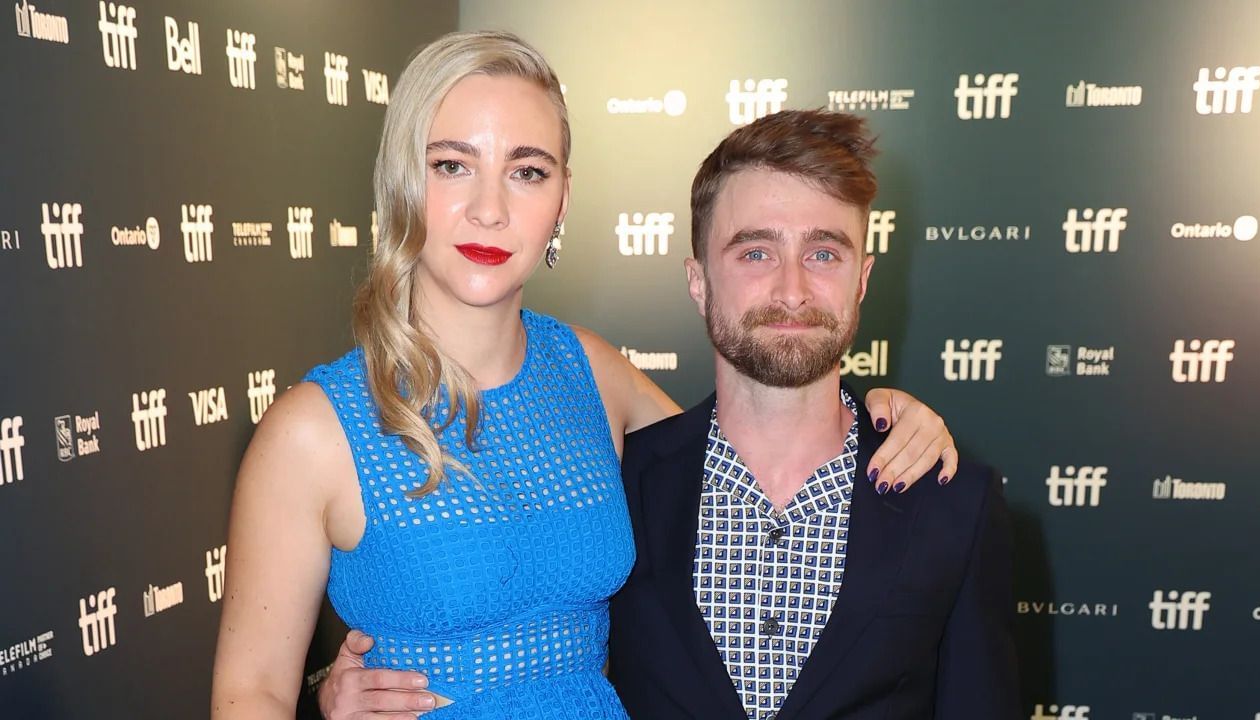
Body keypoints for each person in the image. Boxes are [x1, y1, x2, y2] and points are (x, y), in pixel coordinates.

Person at [212, 31, 958, 719]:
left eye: (527, 172)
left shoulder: (592, 372)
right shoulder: (314, 430)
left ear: (562, 200)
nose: (490, 209)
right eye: (451, 165)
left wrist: (884, 417)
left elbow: (754, 443)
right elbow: (250, 693)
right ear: (401, 180)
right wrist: (324, 698)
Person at [607, 110, 1020, 719]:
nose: (793, 290)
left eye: (824, 253)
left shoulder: (955, 503)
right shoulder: (617, 485)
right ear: (698, 282)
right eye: (755, 253)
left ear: (863, 279)